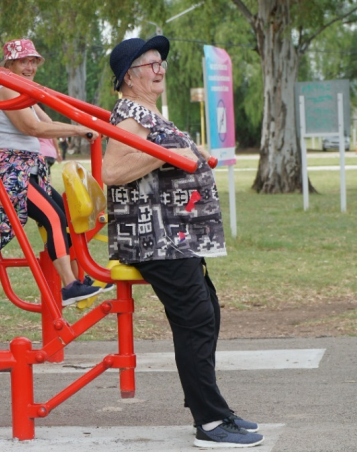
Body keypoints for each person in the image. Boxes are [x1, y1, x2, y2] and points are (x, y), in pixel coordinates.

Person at [103, 36, 264, 448]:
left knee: (205, 313)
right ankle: (210, 423)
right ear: (128, 76)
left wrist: (187, 149)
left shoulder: (147, 111)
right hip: (154, 239)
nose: (160, 69)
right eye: (150, 64)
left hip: (174, 237)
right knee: (196, 320)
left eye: (161, 63)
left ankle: (215, 411)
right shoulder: (130, 118)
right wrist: (164, 153)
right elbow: (112, 171)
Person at [0, 39, 109, 306]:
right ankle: (70, 285)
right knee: (54, 218)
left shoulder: (23, 90)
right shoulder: (6, 91)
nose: (30, 67)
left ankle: (78, 279)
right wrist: (76, 129)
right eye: (24, 61)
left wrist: (83, 123)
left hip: (30, 169)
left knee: (66, 217)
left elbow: (46, 121)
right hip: (13, 174)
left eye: (33, 61)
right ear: (9, 64)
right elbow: (33, 129)